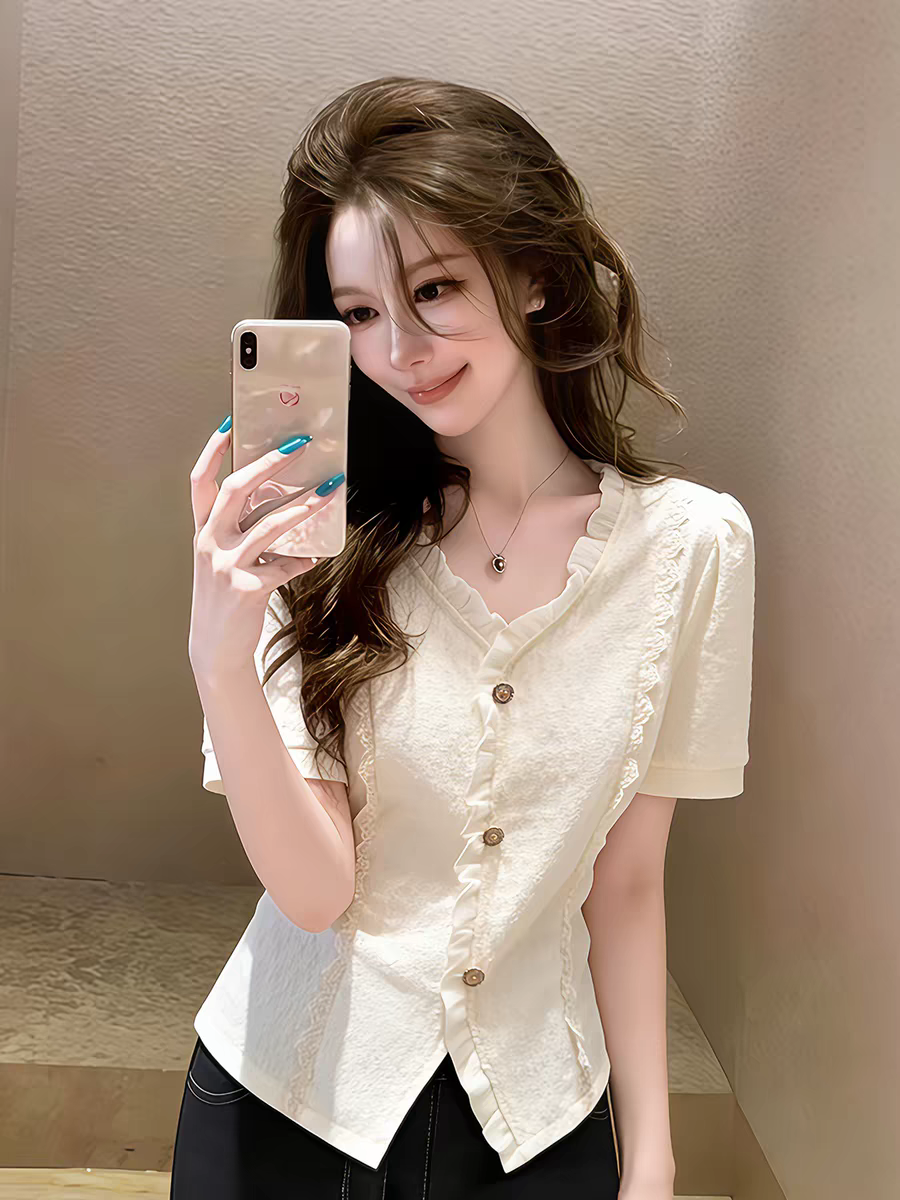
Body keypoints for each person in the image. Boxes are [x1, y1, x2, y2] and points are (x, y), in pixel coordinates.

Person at [172, 76, 756, 1199]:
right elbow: (315, 893)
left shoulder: (692, 550)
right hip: (287, 1111)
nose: (398, 349)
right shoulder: (317, 540)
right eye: (358, 313)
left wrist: (652, 1154)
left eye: (434, 289)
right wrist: (218, 659)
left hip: (539, 1121)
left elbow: (629, 882)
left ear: (535, 274)